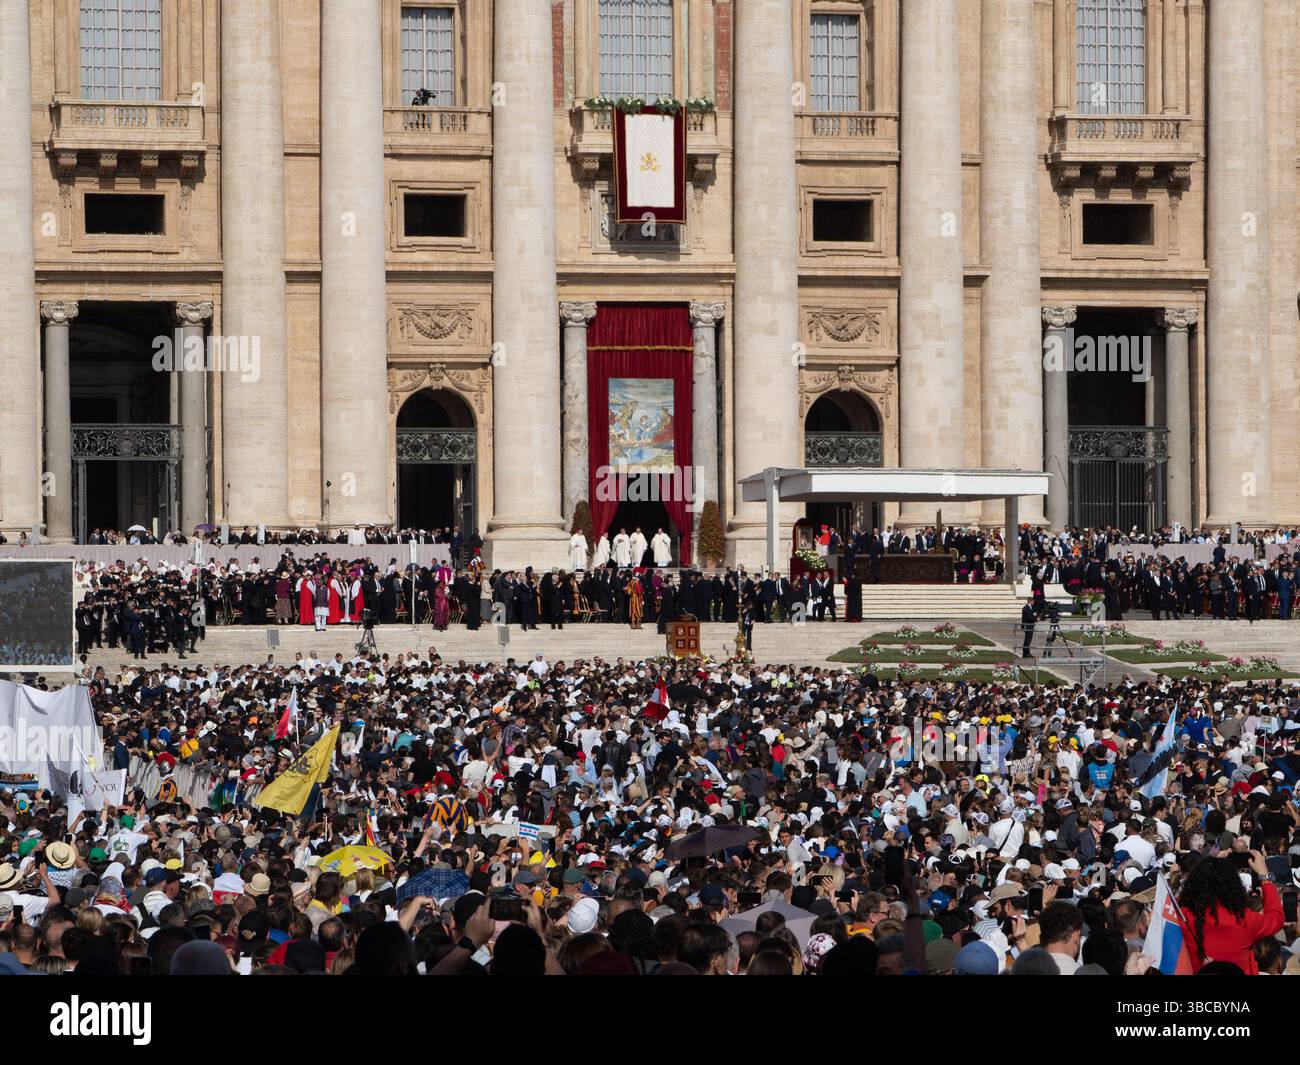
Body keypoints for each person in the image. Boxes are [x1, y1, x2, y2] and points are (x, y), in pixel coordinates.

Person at [1178, 851, 1285, 974]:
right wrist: (1265, 877)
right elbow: (1276, 918)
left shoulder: (1182, 918)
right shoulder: (1245, 920)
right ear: (1234, 886)